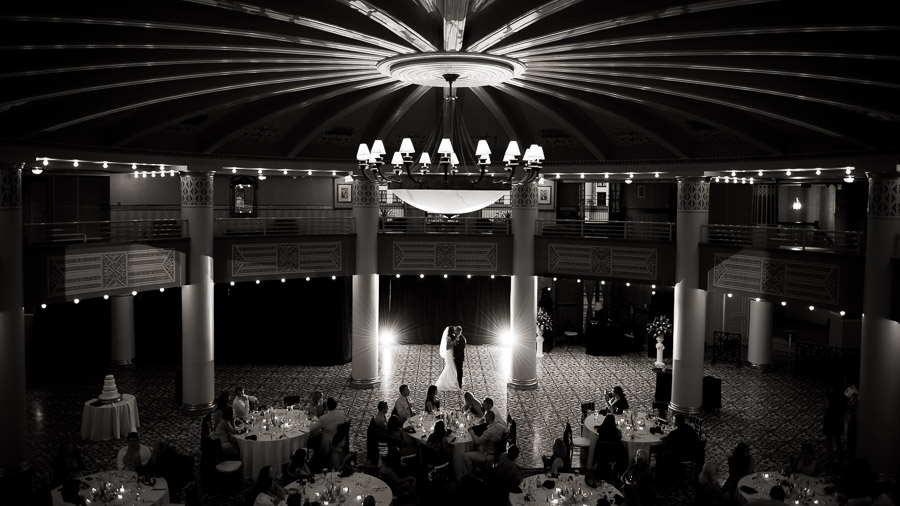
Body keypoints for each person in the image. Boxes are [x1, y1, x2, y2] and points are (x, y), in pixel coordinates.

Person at [434, 326, 460, 391]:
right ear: (451, 331)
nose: (454, 330)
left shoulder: (451, 336)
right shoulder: (448, 338)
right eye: (454, 329)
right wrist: (454, 342)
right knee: (450, 366)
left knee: (452, 366)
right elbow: (447, 347)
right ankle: (449, 381)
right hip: (449, 353)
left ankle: (453, 379)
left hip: (451, 352)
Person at [824, 389, 845, 464]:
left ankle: (830, 459)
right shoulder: (840, 400)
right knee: (838, 440)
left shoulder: (828, 398)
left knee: (829, 440)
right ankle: (840, 459)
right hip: (838, 421)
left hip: (829, 420)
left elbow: (826, 408)